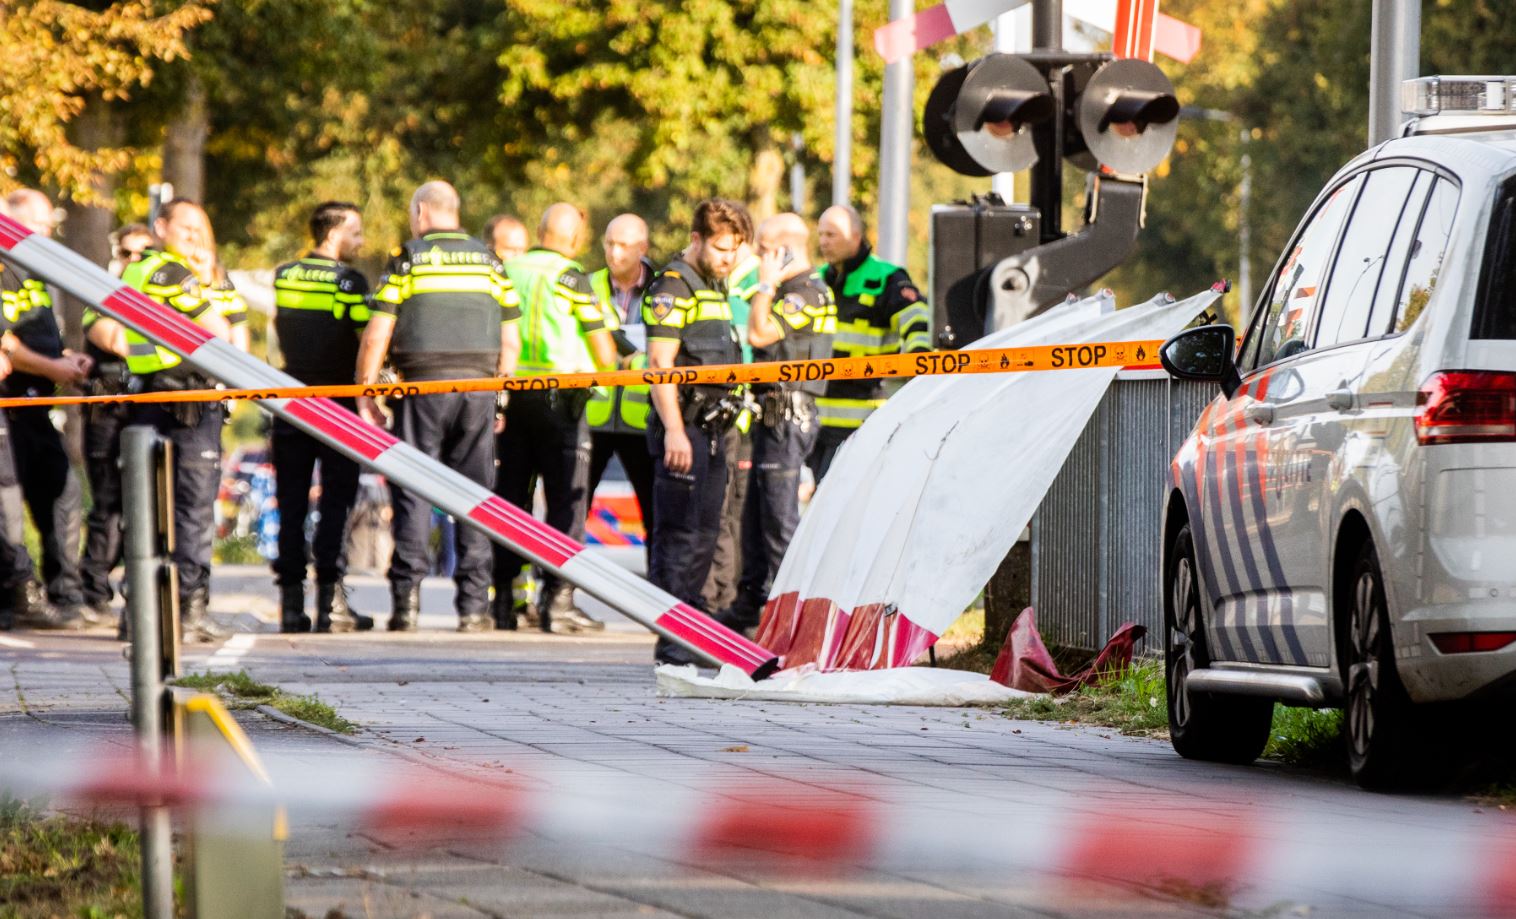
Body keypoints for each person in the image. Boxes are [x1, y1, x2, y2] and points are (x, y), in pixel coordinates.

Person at [356, 181, 521, 633]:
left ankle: (405, 606)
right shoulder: (491, 261)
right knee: (475, 495)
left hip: (421, 387)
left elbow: (377, 333)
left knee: (412, 490)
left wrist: (365, 392)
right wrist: (499, 395)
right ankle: (472, 608)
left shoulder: (408, 256)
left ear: (422, 211)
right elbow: (511, 340)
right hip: (478, 387)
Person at [116, 198, 239, 643]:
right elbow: (221, 333)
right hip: (188, 401)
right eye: (185, 228)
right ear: (160, 227)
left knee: (147, 510)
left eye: (198, 229)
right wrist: (206, 282)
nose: (192, 236)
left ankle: (138, 611)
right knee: (192, 509)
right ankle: (189, 611)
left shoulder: (133, 271)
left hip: (149, 397)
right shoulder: (171, 272)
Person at [492, 203, 615, 633]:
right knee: (567, 505)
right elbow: (604, 351)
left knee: (510, 500)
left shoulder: (509, 269)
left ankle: (505, 600)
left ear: (539, 230)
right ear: (575, 240)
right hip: (561, 401)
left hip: (512, 399)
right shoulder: (572, 276)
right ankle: (557, 602)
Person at [642, 198, 750, 665]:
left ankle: (694, 631)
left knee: (707, 534)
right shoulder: (673, 286)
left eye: (735, 251)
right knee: (679, 537)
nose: (729, 259)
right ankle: (672, 642)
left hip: (715, 429)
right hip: (684, 428)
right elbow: (659, 365)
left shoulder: (714, 286)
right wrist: (673, 432)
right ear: (696, 240)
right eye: (722, 248)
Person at [717, 214, 835, 633]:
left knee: (778, 521)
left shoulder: (805, 293)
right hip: (770, 414)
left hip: (789, 415)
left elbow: (760, 334)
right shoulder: (790, 291)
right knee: (753, 518)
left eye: (764, 249)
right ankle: (748, 607)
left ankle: (800, 622)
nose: (756, 257)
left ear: (783, 250)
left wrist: (765, 284)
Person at [270, 201, 376, 634]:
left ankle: (291, 607)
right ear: (333, 234)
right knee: (336, 502)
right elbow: (363, 332)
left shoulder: (284, 274)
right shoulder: (349, 280)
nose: (361, 240)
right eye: (356, 232)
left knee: (291, 504)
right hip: (338, 401)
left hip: (291, 400)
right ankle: (331, 605)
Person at [0, 189, 94, 627]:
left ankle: (65, 594)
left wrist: (68, 357)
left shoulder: (35, 271)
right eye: (40, 224)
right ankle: (17, 597)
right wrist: (52, 366)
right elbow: (7, 343)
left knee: (63, 495)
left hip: (38, 404)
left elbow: (37, 335)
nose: (49, 232)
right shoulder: (4, 266)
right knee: (9, 509)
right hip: (11, 403)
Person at [810, 204, 931, 479]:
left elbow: (916, 320)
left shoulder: (885, 278)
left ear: (855, 235)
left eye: (832, 235)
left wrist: (918, 361)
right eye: (821, 234)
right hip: (819, 419)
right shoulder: (817, 280)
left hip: (863, 418)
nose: (824, 242)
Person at [77, 225, 150, 626]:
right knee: (108, 504)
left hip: (145, 410)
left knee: (146, 505)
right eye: (126, 253)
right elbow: (116, 340)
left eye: (143, 254)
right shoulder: (102, 295)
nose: (133, 262)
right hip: (107, 407)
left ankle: (135, 594)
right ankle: (94, 591)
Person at [585, 214, 656, 550]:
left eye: (624, 245)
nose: (614, 253)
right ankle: (557, 592)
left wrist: (635, 360)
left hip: (642, 420)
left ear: (642, 248)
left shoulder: (663, 290)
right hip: (592, 417)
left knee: (655, 514)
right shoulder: (586, 285)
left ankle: (660, 594)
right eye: (609, 243)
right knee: (572, 510)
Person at [701, 241, 761, 614]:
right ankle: (718, 600)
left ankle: (727, 601)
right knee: (721, 514)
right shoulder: (717, 284)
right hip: (722, 418)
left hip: (742, 420)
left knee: (733, 515)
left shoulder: (753, 284)